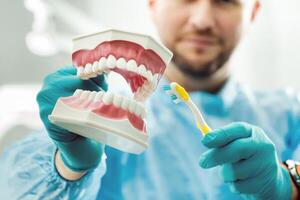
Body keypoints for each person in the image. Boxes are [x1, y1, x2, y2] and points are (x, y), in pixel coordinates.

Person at [0, 0, 299, 199]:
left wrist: (289, 186)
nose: (203, 20)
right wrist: (67, 165)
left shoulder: (291, 114)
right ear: (154, 4)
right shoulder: (100, 116)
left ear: (253, 12)